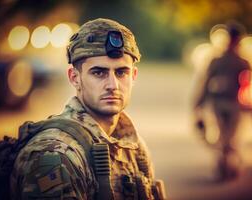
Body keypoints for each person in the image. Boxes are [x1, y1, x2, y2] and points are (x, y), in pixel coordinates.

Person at [10, 18, 166, 200]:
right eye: (99, 73)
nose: (112, 85)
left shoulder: (132, 145)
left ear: (133, 76)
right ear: (75, 78)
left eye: (121, 72)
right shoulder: (55, 156)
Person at [194, 22, 251, 181]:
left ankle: (227, 165)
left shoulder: (234, 62)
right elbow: (207, 83)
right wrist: (199, 103)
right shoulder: (231, 61)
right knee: (227, 137)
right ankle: (227, 165)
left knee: (227, 138)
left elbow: (247, 86)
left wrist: (199, 103)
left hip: (228, 103)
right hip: (225, 103)